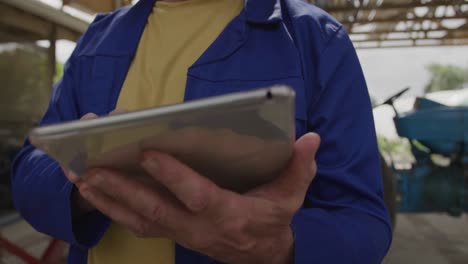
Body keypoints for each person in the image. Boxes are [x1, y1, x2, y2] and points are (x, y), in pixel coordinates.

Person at [11, 0, 392, 263]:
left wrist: (280, 248)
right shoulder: (97, 39)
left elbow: (363, 219)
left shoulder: (314, 38)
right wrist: (83, 183)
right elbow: (31, 168)